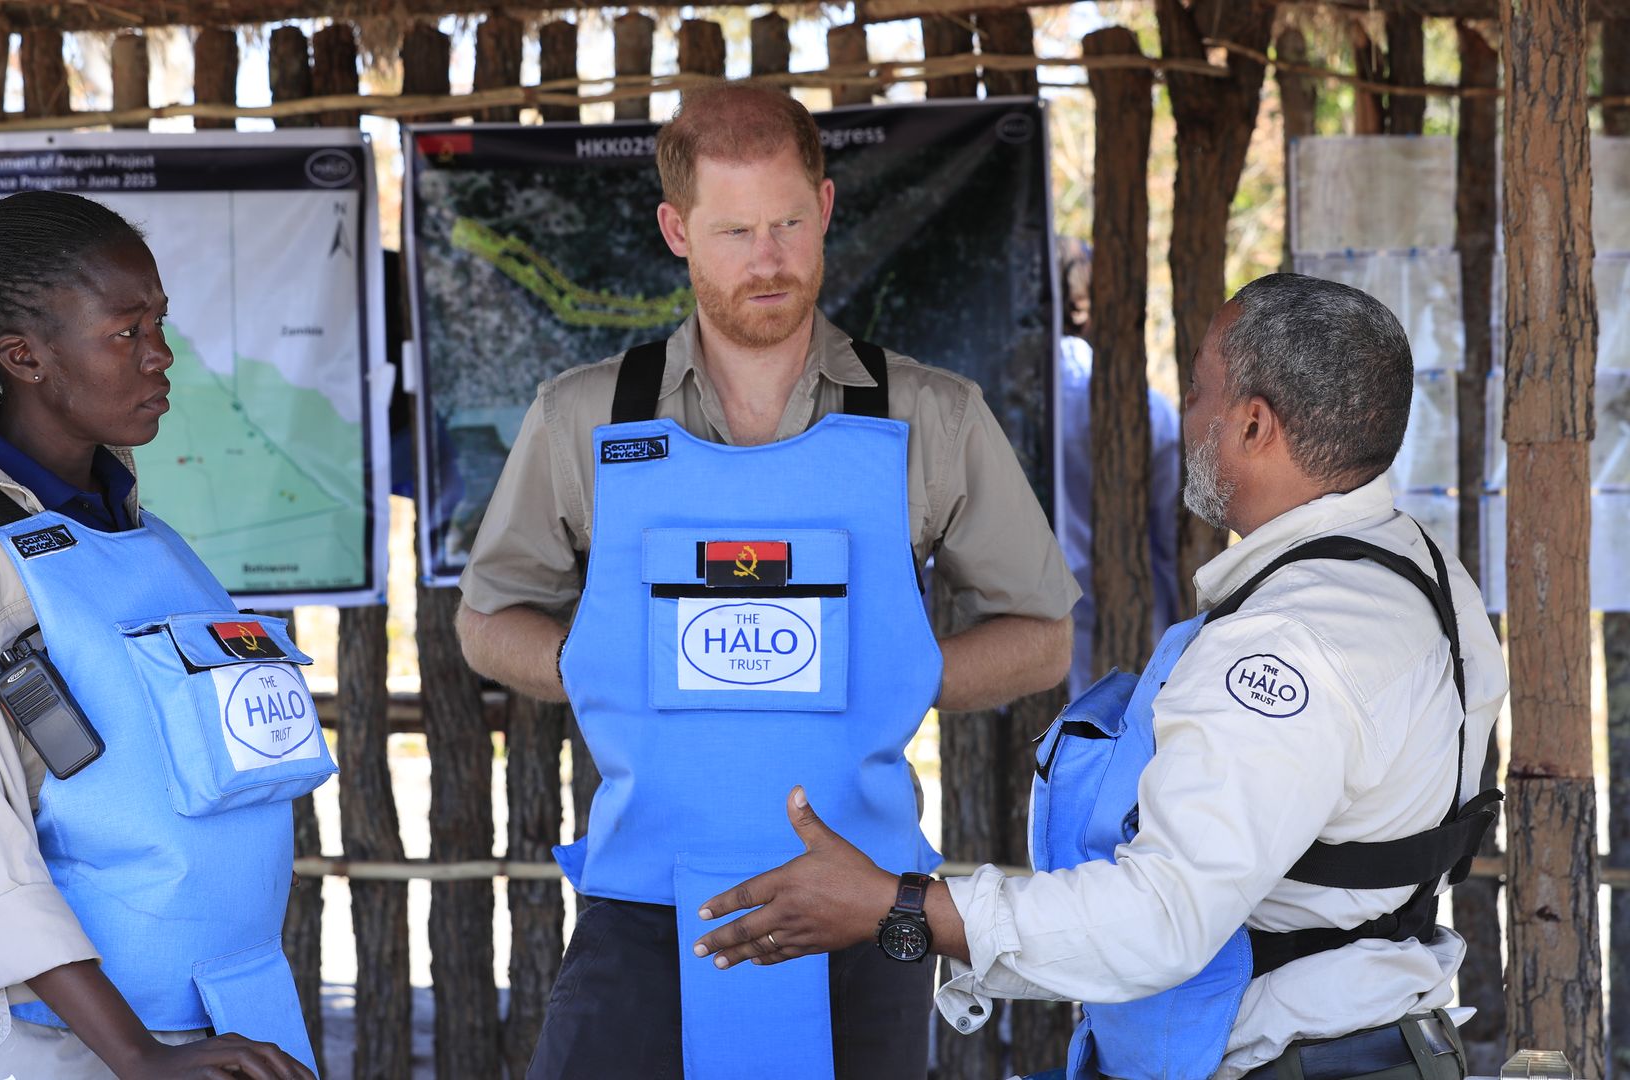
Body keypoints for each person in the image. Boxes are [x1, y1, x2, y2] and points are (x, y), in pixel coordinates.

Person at [690, 274, 1506, 1080]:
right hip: (1384, 1041)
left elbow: (1159, 920)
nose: (1186, 419)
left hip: (1285, 1057)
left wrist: (900, 908)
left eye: (1198, 395)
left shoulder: (1283, 648)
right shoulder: (1431, 579)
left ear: (1255, 425)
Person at [454, 84, 1079, 1078]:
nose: (770, 258)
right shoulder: (585, 418)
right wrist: (599, 660)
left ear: (827, 208)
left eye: (789, 222)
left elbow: (1043, 633)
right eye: (735, 230)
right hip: (642, 903)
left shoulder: (931, 415)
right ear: (675, 230)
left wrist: (898, 672)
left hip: (859, 904)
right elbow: (487, 618)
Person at [0, 191, 330, 1080]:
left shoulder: (150, 538)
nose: (162, 356)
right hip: (68, 1047)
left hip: (227, 1016)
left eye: (159, 322)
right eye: (127, 332)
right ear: (25, 357)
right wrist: (136, 1058)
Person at [1053, 237, 1182, 696]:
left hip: (1024, 648)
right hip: (1132, 648)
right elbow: (1173, 545)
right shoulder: (1152, 414)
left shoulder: (994, 403)